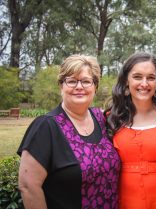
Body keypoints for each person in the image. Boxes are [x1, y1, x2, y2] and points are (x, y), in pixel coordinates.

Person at [17, 54, 121, 209]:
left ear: (95, 87)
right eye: (72, 81)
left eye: (86, 81)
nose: (79, 87)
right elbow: (28, 186)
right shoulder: (46, 127)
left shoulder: (102, 119)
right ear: (61, 86)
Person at [105, 52, 156, 209]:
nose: (144, 83)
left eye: (151, 78)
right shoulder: (110, 119)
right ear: (126, 80)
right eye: (137, 77)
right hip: (125, 198)